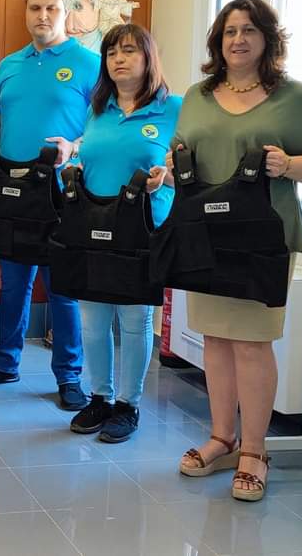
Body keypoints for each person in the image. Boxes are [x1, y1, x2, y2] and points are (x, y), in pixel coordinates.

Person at [174, 0, 302, 501]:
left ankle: (255, 450)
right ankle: (222, 438)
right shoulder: (198, 94)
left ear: (267, 38)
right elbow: (181, 151)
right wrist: (165, 168)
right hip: (206, 235)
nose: (238, 39)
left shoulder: (292, 96)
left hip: (265, 239)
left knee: (250, 342)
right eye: (228, 31)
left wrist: (288, 164)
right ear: (217, 42)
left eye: (248, 30)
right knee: (215, 340)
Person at [0, 0, 100, 412]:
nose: (42, 17)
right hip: (11, 190)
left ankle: (70, 376)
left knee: (62, 289)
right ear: (26, 12)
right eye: (35, 9)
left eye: (51, 9)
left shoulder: (89, 63)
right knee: (12, 285)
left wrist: (74, 148)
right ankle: (5, 362)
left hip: (63, 194)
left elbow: (104, 127)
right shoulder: (9, 64)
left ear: (67, 12)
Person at [66, 24, 181, 443]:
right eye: (112, 52)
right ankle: (99, 397)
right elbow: (91, 155)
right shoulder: (98, 109)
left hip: (143, 230)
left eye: (129, 51)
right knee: (93, 321)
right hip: (95, 226)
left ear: (149, 58)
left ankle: (128, 405)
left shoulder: (175, 109)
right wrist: (75, 168)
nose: (118, 58)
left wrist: (166, 178)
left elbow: (192, 172)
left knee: (135, 320)